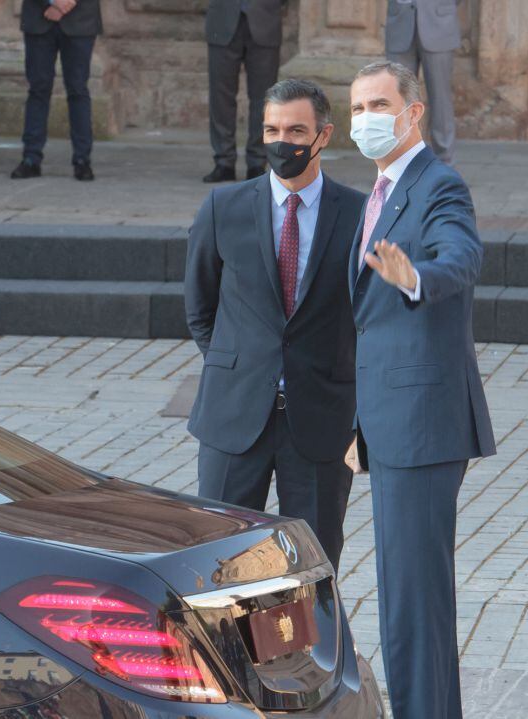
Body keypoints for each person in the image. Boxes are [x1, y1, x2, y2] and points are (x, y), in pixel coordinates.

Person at [346, 60, 495, 718]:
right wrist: (360, 423)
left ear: (413, 113)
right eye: (355, 109)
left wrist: (415, 277)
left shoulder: (439, 186)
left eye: (378, 104)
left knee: (413, 601)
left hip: (424, 421)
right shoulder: (378, 190)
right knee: (408, 598)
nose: (365, 120)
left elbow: (460, 256)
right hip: (389, 419)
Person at [185, 79, 365, 570]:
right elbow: (200, 309)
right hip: (234, 414)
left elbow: (367, 317)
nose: (282, 142)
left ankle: (313, 649)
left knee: (312, 563)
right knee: (216, 560)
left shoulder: (358, 214)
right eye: (271, 130)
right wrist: (244, 367)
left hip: (319, 420)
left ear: (323, 137)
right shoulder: (224, 208)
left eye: (295, 130)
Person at [10, 0, 101, 181]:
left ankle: (82, 159)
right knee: (38, 90)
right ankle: (31, 158)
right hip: (39, 16)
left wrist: (66, 2)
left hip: (81, 19)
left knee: (77, 90)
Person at [202, 0, 285, 184]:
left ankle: (258, 162)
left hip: (265, 19)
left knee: (264, 100)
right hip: (222, 20)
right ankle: (224, 161)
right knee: (220, 97)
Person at [384, 0, 461, 165]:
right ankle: (400, 162)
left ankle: (444, 164)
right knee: (397, 99)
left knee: (441, 99)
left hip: (439, 22)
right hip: (400, 21)